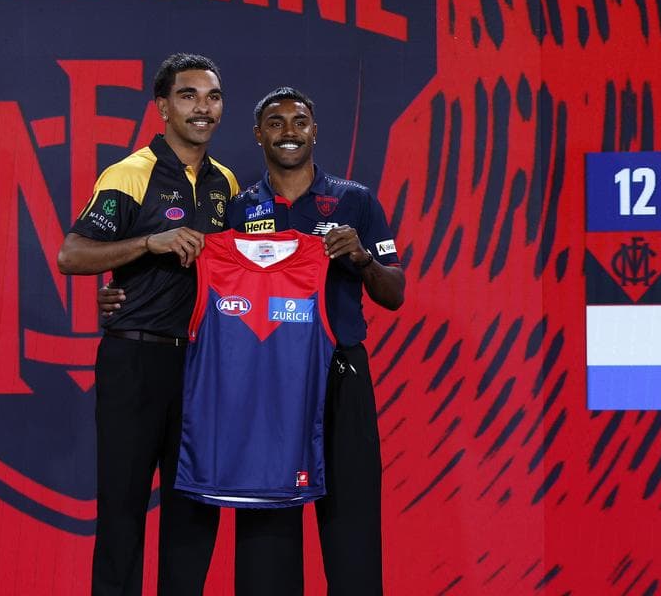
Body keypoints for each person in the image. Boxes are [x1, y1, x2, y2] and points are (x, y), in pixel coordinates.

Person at [101, 86, 405, 594]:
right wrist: (120, 296)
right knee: (267, 530)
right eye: (276, 123)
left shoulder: (354, 200)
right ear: (259, 134)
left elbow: (394, 293)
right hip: (268, 382)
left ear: (315, 130)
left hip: (340, 375)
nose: (289, 132)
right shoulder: (239, 207)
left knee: (351, 526)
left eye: (299, 121)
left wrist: (363, 259)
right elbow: (189, 273)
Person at [57, 53, 238, 595]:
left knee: (192, 510)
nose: (202, 108)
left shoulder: (225, 183)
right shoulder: (130, 173)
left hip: (201, 365)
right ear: (162, 107)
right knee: (123, 509)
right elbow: (72, 254)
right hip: (136, 359)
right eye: (188, 96)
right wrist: (147, 244)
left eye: (212, 97)